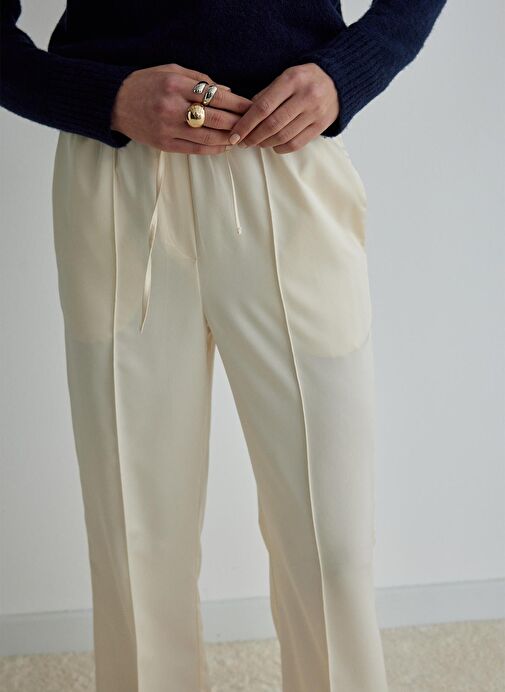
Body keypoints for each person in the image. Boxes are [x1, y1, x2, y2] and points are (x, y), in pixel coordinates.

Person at [0, 2, 447, 691]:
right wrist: (104, 97)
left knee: (331, 541)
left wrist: (346, 74)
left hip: (288, 163)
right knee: (137, 539)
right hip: (115, 175)